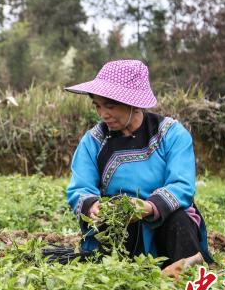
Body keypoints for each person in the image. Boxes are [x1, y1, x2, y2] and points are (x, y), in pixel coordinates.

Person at [65, 60, 212, 276]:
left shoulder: (172, 134)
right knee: (104, 244)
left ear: (133, 103)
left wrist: (148, 207)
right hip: (121, 224)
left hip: (164, 220)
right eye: (98, 105)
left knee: (179, 218)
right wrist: (93, 206)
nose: (103, 114)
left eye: (110, 105)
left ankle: (187, 266)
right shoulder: (93, 142)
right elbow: (80, 188)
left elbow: (182, 186)